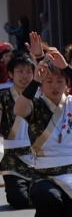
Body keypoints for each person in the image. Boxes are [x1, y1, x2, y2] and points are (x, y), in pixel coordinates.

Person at [14, 33, 72, 217]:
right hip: (45, 177)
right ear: (42, 85)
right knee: (48, 197)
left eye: (60, 81)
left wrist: (65, 67)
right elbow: (19, 109)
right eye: (49, 82)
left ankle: (68, 214)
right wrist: (34, 80)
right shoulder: (36, 105)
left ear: (67, 84)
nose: (54, 86)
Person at [0, 52, 36, 208]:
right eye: (20, 71)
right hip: (13, 160)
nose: (25, 76)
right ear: (10, 74)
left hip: (40, 157)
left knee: (48, 196)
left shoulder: (41, 95)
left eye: (29, 71)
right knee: (19, 200)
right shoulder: (3, 97)